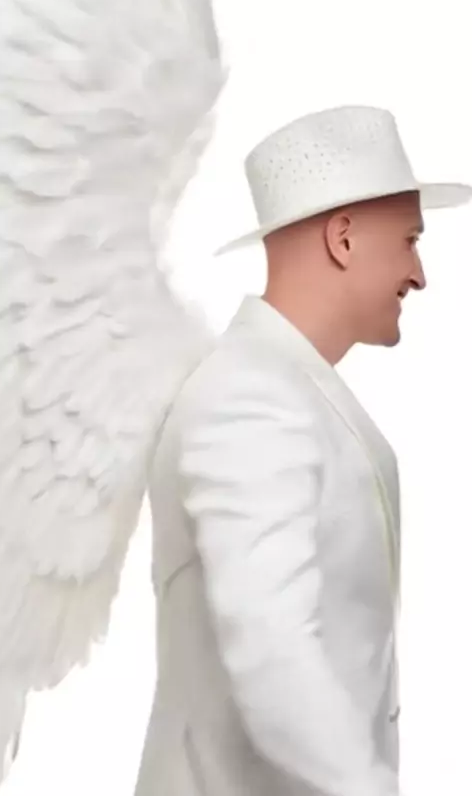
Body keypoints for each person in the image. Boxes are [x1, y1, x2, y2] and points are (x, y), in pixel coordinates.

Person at [133, 105, 472, 796]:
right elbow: (272, 650)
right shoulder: (249, 399)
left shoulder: (279, 389)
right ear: (343, 239)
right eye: (409, 240)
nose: (419, 274)